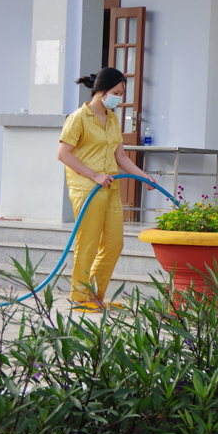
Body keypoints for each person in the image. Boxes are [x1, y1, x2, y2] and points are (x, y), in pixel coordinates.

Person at [56, 67, 156, 312]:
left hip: (110, 188)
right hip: (86, 188)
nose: (118, 98)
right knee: (88, 242)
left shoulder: (112, 120)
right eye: (115, 92)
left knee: (114, 244)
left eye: (121, 93)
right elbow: (63, 154)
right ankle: (80, 297)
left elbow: (120, 156)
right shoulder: (78, 118)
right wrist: (94, 175)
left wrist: (143, 176)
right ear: (100, 91)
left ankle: (96, 295)